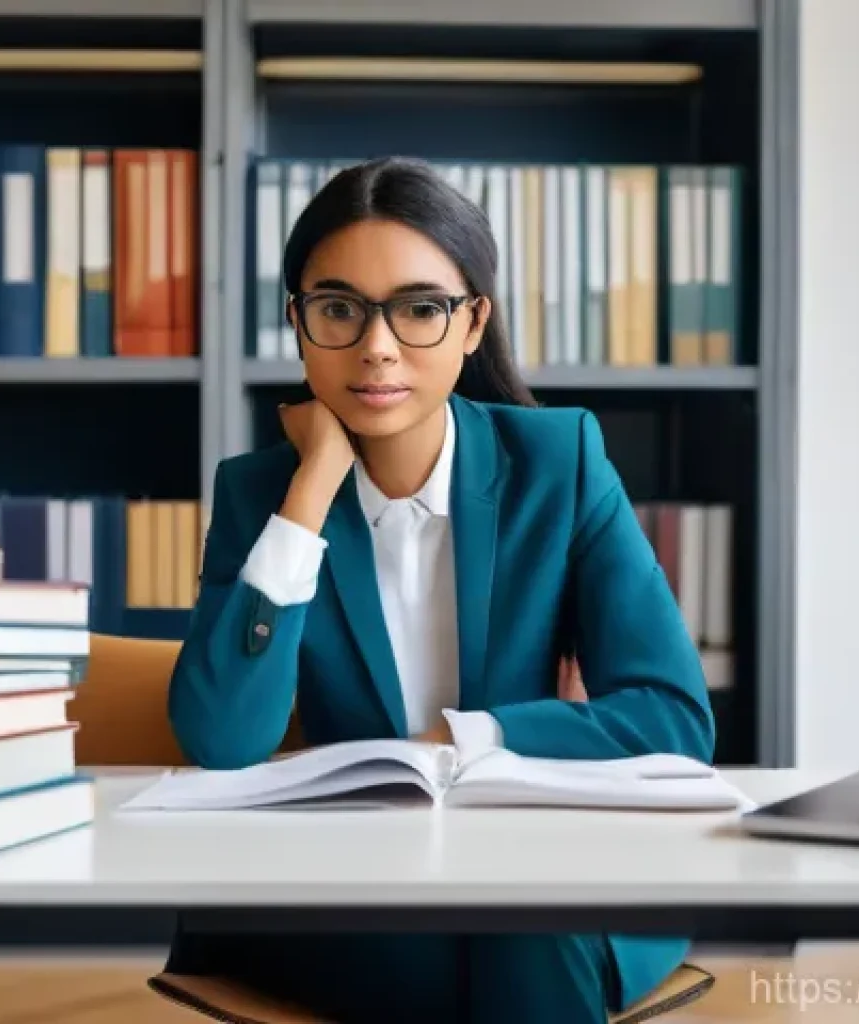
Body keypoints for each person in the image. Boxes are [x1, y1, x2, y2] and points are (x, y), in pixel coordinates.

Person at [165, 156, 716, 1024]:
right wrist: (308, 496)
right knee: (478, 941)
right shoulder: (257, 492)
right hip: (354, 891)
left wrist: (459, 741)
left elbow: (671, 715)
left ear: (471, 324)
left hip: (546, 874)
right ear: (298, 325)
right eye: (338, 309)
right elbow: (224, 736)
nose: (377, 346)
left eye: (420, 308)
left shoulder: (559, 463)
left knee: (521, 923)